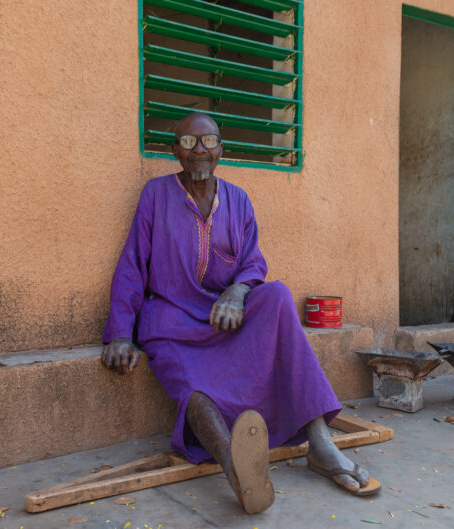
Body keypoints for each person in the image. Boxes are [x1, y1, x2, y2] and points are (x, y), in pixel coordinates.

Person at [101, 112, 377, 514]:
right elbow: (131, 266)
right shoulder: (155, 195)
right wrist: (121, 333)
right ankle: (236, 467)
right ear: (174, 150)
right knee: (191, 383)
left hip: (223, 318)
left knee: (278, 295)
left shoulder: (238, 200)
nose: (200, 150)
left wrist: (237, 291)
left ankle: (319, 443)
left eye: (209, 141)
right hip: (172, 321)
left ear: (221, 150)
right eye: (190, 142)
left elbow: (252, 264)